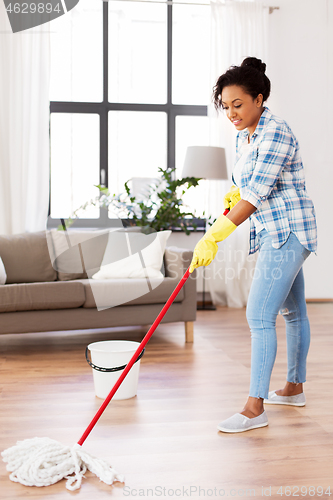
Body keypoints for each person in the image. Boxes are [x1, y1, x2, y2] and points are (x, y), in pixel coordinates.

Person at [189, 57, 317, 433]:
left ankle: (253, 408)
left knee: (258, 317)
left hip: (289, 231)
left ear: (259, 98)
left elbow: (257, 195)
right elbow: (247, 184)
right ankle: (293, 389)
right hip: (275, 231)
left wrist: (214, 234)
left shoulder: (275, 130)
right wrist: (234, 192)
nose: (231, 113)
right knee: (293, 313)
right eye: (226, 107)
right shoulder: (246, 133)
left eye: (238, 104)